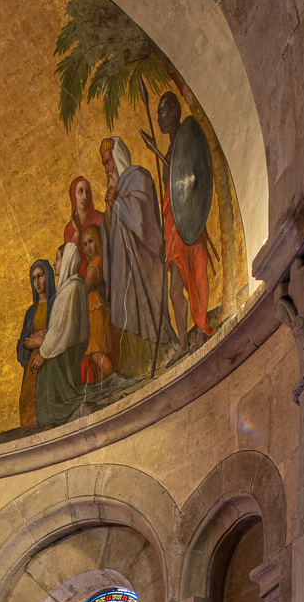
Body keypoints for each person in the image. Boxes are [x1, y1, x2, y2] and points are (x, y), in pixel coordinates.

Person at [140, 89, 217, 353]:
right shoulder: (171, 151)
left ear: (174, 113)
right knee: (175, 291)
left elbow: (196, 181)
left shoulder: (187, 143)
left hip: (190, 226)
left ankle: (200, 328)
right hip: (175, 229)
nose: (159, 117)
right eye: (158, 113)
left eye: (162, 111)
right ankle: (184, 345)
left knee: (197, 279)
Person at [99, 136, 172, 377]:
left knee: (145, 308)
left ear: (118, 158)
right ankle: (133, 368)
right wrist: (110, 210)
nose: (107, 168)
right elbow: (109, 233)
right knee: (126, 310)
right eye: (104, 164)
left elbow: (143, 219)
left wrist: (118, 201)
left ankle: (158, 356)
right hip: (122, 266)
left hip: (143, 262)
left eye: (109, 161)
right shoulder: (116, 189)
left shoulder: (138, 177)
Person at [33, 242, 90, 429]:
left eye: (58, 258)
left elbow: (60, 328)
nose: (55, 263)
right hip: (72, 346)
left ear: (66, 261)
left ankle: (54, 416)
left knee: (45, 374)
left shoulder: (69, 288)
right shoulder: (78, 283)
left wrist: (43, 352)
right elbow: (63, 326)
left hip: (65, 351)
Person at [16, 259, 55, 428]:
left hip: (51, 362)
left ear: (48, 276)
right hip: (32, 367)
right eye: (33, 278)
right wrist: (31, 341)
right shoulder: (31, 312)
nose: (37, 282)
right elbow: (22, 343)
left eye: (40, 276)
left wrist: (42, 342)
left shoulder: (57, 304)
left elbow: (61, 333)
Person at [78, 224, 117, 384]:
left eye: (91, 241)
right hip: (96, 309)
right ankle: (110, 384)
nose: (88, 247)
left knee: (96, 353)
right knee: (98, 354)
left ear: (99, 241)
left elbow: (85, 288)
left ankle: (116, 381)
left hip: (94, 310)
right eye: (85, 244)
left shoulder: (95, 264)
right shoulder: (98, 261)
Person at [62, 175, 105, 271]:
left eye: (87, 192)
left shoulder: (101, 219)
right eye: (80, 192)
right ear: (74, 196)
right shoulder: (69, 229)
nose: (84, 196)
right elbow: (68, 261)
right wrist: (77, 233)